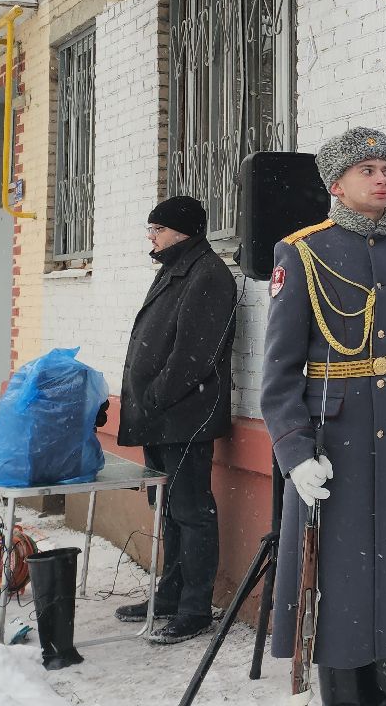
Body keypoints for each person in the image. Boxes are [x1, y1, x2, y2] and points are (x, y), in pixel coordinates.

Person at [262, 128, 386, 706]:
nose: (381, 178)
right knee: (336, 584)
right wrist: (293, 453)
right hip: (330, 443)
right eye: (367, 169)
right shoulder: (301, 251)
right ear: (336, 184)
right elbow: (279, 372)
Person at [114, 195, 237, 644]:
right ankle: (170, 594)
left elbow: (194, 355)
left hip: (184, 414)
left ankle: (195, 608)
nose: (152, 236)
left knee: (191, 510)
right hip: (162, 415)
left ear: (183, 231)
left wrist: (156, 396)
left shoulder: (207, 275)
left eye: (158, 229)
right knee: (170, 509)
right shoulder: (176, 268)